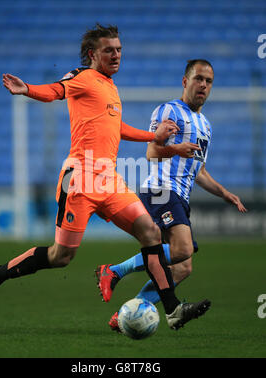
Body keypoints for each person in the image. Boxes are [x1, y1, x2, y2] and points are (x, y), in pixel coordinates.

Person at [0, 24, 208, 329]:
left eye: (119, 49)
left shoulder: (110, 87)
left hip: (109, 180)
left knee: (150, 233)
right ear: (92, 54)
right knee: (61, 256)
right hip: (81, 179)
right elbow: (55, 91)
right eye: (109, 50)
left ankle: (173, 310)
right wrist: (28, 89)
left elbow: (118, 127)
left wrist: (154, 135)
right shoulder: (81, 77)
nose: (116, 55)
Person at [95, 59, 247, 331]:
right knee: (183, 249)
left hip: (179, 196)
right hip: (161, 190)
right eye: (198, 78)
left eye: (208, 81)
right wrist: (176, 150)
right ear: (185, 81)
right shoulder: (170, 111)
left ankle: (126, 315)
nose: (203, 85)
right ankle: (115, 270)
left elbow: (197, 170)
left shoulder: (205, 125)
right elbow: (151, 153)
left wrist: (225, 193)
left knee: (182, 266)